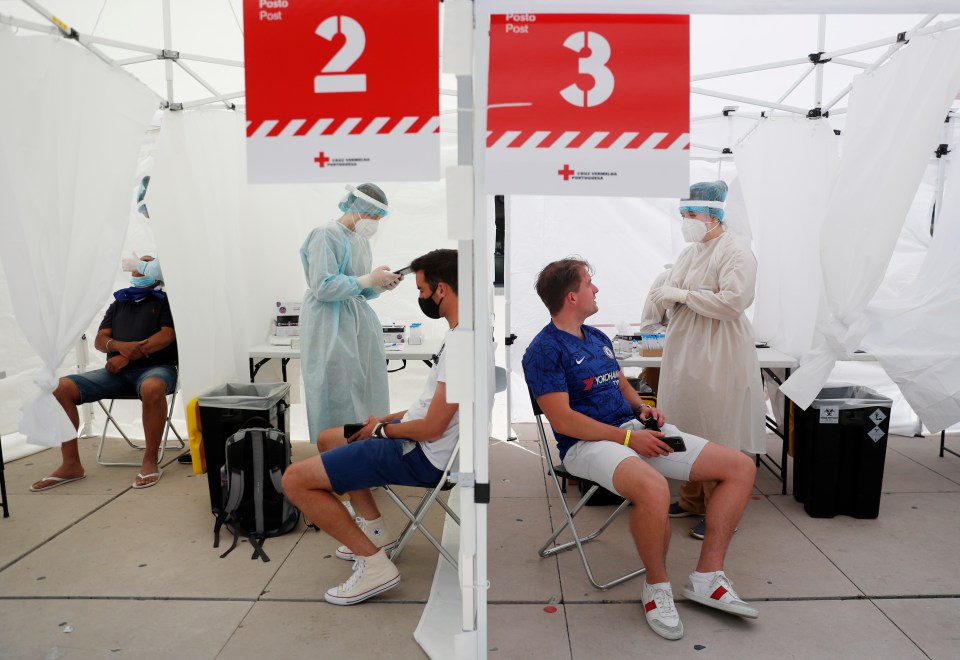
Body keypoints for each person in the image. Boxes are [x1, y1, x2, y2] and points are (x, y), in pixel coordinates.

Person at [522, 257, 758, 641]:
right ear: (571, 296)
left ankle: (707, 577)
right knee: (653, 488)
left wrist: (643, 410)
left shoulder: (595, 337)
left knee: (739, 467)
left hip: (630, 430)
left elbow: (621, 385)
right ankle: (656, 587)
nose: (596, 289)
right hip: (587, 444)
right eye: (589, 284)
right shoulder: (544, 350)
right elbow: (563, 421)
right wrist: (630, 439)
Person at [283, 249, 473, 606]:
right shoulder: (466, 335)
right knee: (329, 438)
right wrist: (385, 420)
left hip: (425, 457)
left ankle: (375, 567)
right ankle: (375, 530)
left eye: (420, 290)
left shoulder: (463, 345)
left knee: (294, 480)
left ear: (442, 290)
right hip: (427, 444)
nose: (420, 298)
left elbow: (431, 427)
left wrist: (382, 433)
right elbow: (434, 408)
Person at [648, 181, 766, 540]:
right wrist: (669, 298)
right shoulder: (691, 251)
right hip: (685, 349)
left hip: (718, 351)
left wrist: (684, 294)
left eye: (692, 215)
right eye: (683, 214)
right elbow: (670, 289)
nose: (686, 221)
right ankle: (691, 499)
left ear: (713, 215)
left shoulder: (735, 253)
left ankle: (721, 510)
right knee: (686, 423)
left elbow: (733, 302)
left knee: (716, 427)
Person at [30, 258, 178, 491]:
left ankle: (150, 461)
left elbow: (167, 336)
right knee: (60, 387)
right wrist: (117, 347)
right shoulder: (119, 303)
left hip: (155, 369)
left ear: (157, 273)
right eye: (138, 265)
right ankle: (71, 465)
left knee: (152, 387)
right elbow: (100, 340)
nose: (139, 268)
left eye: (146, 264)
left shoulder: (166, 301)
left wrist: (126, 356)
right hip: (117, 373)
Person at [299, 183, 401, 444]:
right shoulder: (325, 235)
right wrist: (367, 279)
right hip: (329, 323)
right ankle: (335, 456)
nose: (375, 223)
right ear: (358, 208)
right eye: (374, 216)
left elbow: (358, 290)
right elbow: (323, 286)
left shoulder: (360, 242)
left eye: (379, 219)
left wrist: (379, 284)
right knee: (337, 390)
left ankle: (364, 452)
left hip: (356, 323)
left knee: (364, 389)